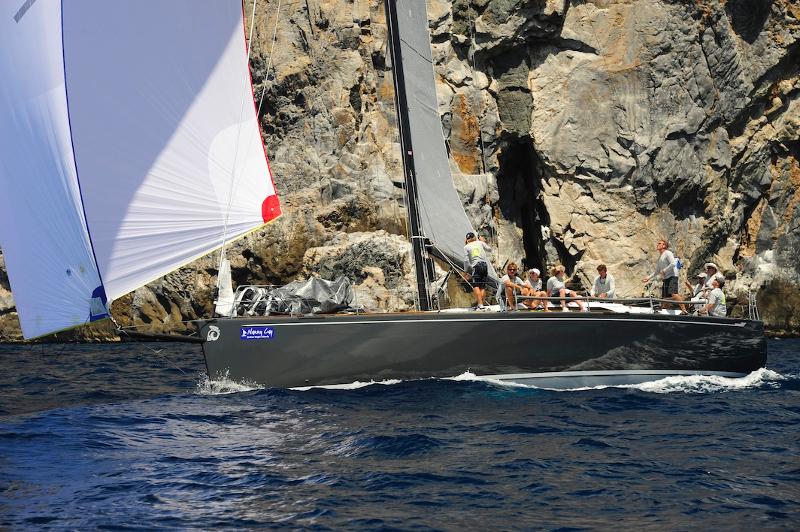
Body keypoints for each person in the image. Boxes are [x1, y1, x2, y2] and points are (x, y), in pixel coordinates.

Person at [642, 239, 686, 313]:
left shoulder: (668, 253)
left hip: (672, 276)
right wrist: (648, 278)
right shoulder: (660, 257)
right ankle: (664, 311)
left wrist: (664, 270)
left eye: (659, 243)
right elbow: (657, 271)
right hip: (666, 278)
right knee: (665, 297)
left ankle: (684, 310)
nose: (657, 244)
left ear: (664, 246)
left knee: (674, 294)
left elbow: (673, 264)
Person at [464, 232, 491, 308]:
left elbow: (466, 261)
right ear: (474, 237)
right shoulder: (480, 243)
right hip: (485, 265)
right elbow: (489, 249)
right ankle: (481, 304)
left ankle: (480, 304)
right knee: (482, 286)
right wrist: (483, 241)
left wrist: (465, 272)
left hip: (476, 266)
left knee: (475, 285)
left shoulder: (466, 247)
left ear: (467, 239)